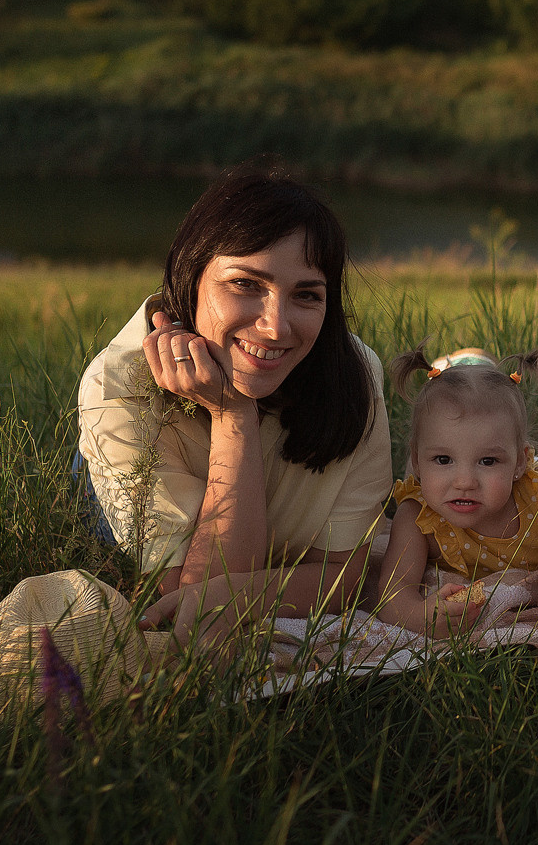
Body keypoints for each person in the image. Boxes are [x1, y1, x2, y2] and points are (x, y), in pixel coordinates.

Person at [75, 165, 392, 655]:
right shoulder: (118, 386)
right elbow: (193, 604)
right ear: (190, 277)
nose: (275, 327)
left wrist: (245, 594)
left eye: (306, 295)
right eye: (245, 285)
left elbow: (345, 577)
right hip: (102, 503)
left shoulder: (356, 373)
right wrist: (232, 417)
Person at [374, 345, 538, 637]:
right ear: (418, 459)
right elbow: (393, 596)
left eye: (487, 461)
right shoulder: (418, 519)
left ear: (519, 461)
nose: (465, 482)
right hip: (439, 479)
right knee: (426, 478)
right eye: (444, 459)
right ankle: (466, 367)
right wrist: (420, 615)